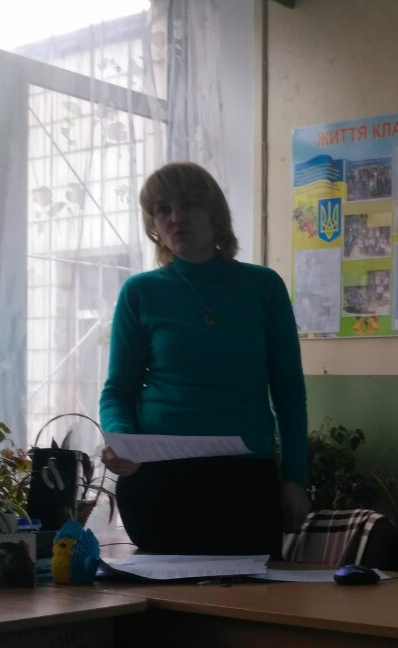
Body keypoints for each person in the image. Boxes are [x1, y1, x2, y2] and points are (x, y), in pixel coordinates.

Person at [99, 162, 309, 557]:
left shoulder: (263, 287)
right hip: (159, 480)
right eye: (162, 209)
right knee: (162, 596)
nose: (175, 217)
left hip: (244, 479)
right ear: (153, 224)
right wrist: (122, 441)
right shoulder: (139, 293)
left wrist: (295, 478)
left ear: (215, 213)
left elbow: (289, 394)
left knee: (254, 592)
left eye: (189, 204)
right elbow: (118, 391)